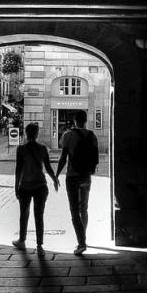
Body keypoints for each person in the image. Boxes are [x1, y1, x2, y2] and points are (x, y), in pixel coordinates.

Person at [55, 108, 99, 256]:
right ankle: (83, 237)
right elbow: (96, 158)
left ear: (74, 120)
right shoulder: (92, 136)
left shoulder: (68, 135)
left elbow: (63, 158)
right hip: (86, 176)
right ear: (86, 120)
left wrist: (56, 175)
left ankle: (81, 242)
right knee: (84, 209)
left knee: (74, 211)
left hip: (72, 176)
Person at [12, 122, 59, 257]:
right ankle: (39, 246)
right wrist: (55, 179)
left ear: (26, 134)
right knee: (39, 216)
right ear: (37, 134)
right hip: (40, 186)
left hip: (25, 186)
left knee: (24, 214)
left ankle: (22, 240)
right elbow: (48, 168)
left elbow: (18, 170)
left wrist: (16, 186)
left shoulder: (21, 149)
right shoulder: (43, 149)